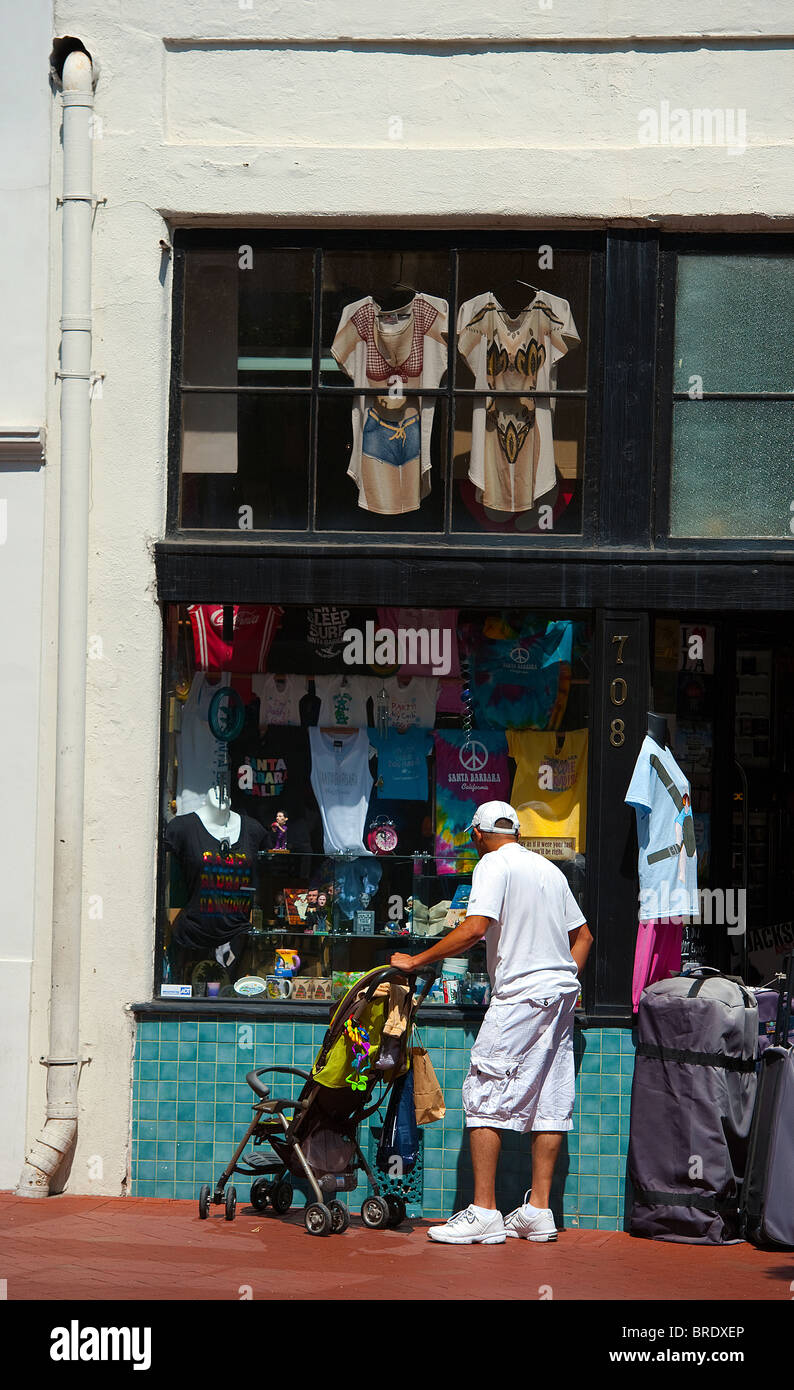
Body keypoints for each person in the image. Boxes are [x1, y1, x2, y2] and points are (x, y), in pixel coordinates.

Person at [390, 800, 593, 1245]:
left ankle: (484, 1211)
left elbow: (474, 928)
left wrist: (416, 960)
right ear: (515, 830)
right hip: (560, 995)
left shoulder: (492, 864)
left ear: (478, 835)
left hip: (520, 994)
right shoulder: (549, 871)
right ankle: (539, 1210)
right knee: (549, 1098)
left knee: (483, 1090)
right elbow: (584, 937)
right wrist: (562, 979)